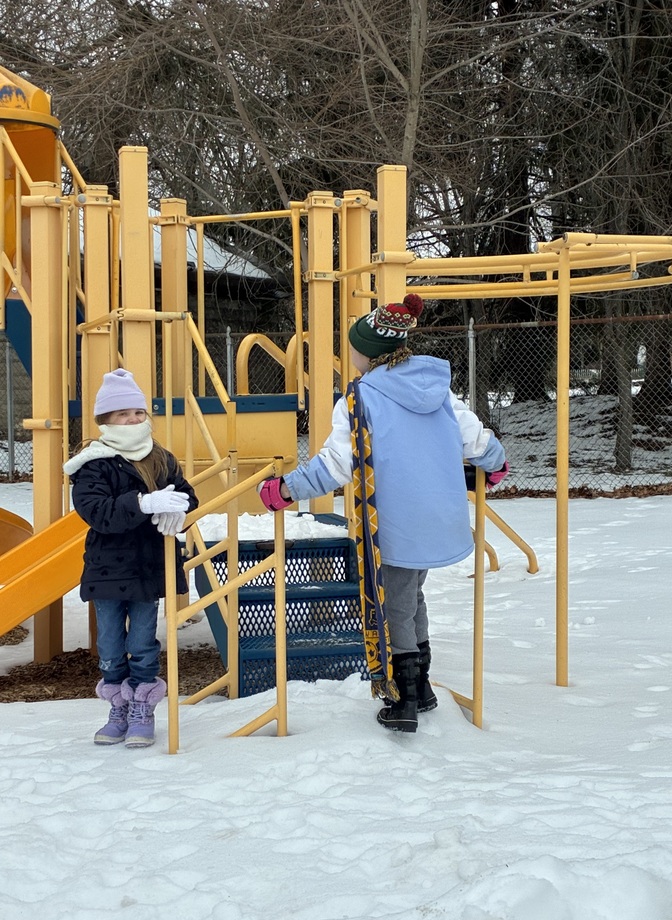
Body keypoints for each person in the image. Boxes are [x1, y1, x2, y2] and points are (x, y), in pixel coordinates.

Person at [259, 294, 508, 734]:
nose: (349, 356)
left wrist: (285, 490)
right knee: (412, 597)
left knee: (393, 605)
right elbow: (477, 440)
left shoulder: (360, 399)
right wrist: (497, 464)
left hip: (395, 524)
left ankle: (404, 696)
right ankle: (424, 686)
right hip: (440, 518)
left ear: (367, 354)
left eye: (352, 349)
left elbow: (334, 466)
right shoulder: (440, 390)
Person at [63, 368, 198, 748]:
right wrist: (143, 502)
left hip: (146, 568)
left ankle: (143, 710)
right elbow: (97, 511)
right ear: (105, 420)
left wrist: (179, 508)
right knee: (109, 646)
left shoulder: (160, 458)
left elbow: (185, 493)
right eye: (123, 414)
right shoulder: (93, 463)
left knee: (142, 643)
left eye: (138, 412)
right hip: (107, 570)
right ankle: (118, 707)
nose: (133, 420)